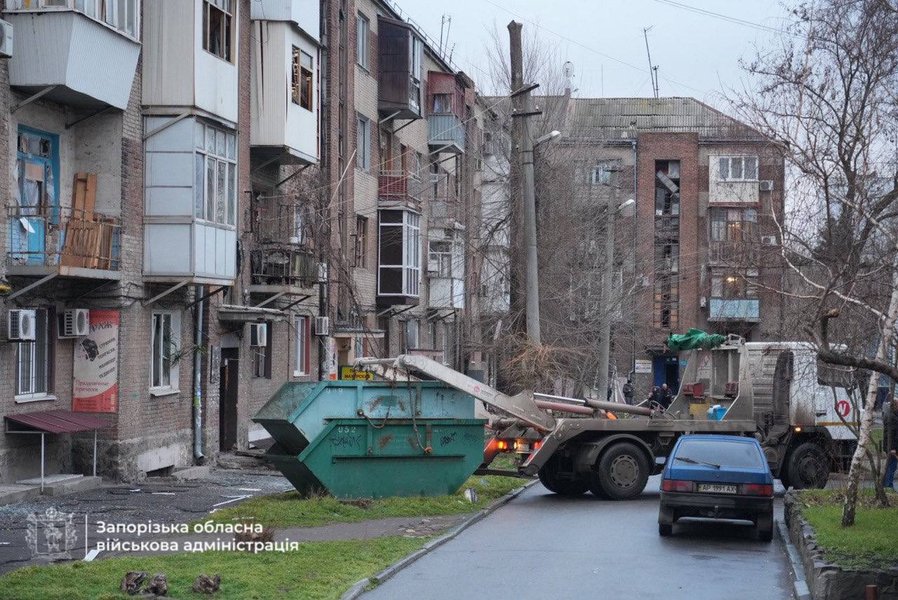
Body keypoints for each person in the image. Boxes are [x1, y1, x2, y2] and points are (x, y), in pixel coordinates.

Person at [884, 395, 898, 490]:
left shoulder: (890, 415)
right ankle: (888, 485)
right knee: (892, 466)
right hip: (892, 447)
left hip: (891, 446)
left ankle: (887, 484)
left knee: (891, 465)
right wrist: (893, 449)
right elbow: (892, 435)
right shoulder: (893, 418)